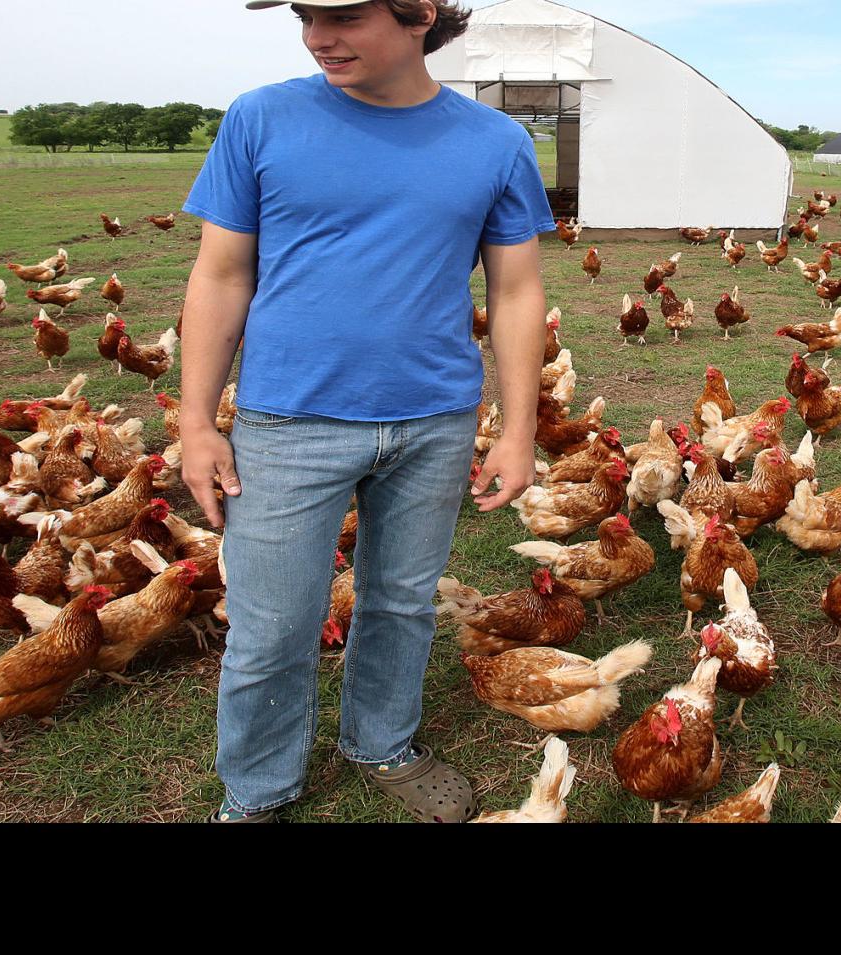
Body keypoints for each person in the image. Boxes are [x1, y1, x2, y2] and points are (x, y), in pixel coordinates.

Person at [178, 0, 554, 822]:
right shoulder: (261, 119)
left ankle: (381, 740)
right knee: (274, 625)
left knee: (401, 603)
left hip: (434, 420)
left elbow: (516, 290)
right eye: (306, 15)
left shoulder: (495, 143)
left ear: (420, 14)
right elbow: (221, 274)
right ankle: (257, 791)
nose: (319, 36)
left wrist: (518, 429)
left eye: (344, 15)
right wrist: (196, 421)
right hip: (289, 421)